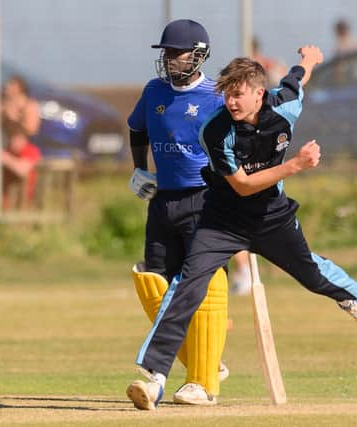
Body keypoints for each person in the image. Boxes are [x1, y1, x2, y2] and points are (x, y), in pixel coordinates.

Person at [126, 45, 357, 411]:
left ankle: (352, 297)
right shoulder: (214, 130)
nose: (230, 101)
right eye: (227, 93)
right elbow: (243, 185)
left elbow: (297, 78)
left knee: (309, 273)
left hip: (271, 218)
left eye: (238, 94)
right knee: (187, 286)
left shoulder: (285, 105)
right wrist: (295, 165)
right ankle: (155, 378)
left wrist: (309, 59)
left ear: (259, 93)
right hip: (222, 218)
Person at [126, 19, 230, 407]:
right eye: (166, 53)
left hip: (205, 201)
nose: (170, 59)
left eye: (177, 52)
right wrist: (139, 168)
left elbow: (237, 143)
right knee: (154, 282)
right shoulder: (153, 90)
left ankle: (193, 382)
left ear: (199, 55)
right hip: (163, 201)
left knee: (200, 288)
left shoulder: (215, 97)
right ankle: (206, 362)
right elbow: (137, 129)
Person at [1, 120, 41, 210]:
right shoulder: (8, 151)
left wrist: (6, 159)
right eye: (11, 137)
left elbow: (22, 170)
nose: (13, 141)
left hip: (24, 202)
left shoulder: (31, 150)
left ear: (25, 138)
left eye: (17, 138)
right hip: (6, 202)